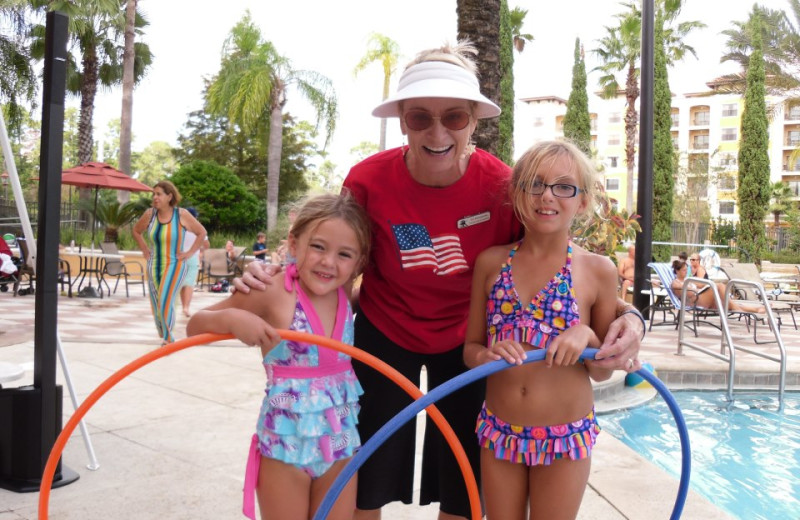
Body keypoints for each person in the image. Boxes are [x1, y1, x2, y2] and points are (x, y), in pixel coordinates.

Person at [234, 41, 644, 520]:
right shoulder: (368, 180)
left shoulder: (504, 187)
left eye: (453, 117)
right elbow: (330, 256)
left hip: (470, 347)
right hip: (383, 335)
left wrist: (631, 319)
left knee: (464, 481)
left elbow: (557, 267)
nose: (436, 131)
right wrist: (275, 273)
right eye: (419, 118)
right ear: (402, 119)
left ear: (473, 118)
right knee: (368, 471)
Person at [186, 193, 371, 520]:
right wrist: (231, 319)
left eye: (344, 254)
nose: (329, 262)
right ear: (295, 244)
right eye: (318, 247)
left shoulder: (344, 293)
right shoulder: (271, 289)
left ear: (358, 263)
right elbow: (195, 326)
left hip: (341, 442)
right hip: (285, 448)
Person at [463, 140, 616, 519]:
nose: (546, 196)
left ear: (582, 201)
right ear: (517, 193)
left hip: (564, 435)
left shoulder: (598, 270)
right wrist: (484, 356)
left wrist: (590, 339)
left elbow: (603, 370)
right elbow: (470, 347)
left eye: (564, 186)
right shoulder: (491, 263)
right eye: (534, 184)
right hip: (500, 431)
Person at [132, 180, 206, 345]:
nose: (155, 197)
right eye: (154, 194)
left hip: (175, 265)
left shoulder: (181, 215)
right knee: (156, 301)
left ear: (169, 196)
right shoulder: (150, 214)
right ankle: (164, 332)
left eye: (159, 194)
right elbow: (136, 231)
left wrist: (190, 253)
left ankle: (169, 338)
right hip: (154, 265)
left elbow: (201, 233)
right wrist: (144, 248)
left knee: (165, 299)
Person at [671, 259, 764, 313]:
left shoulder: (688, 280)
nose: (686, 272)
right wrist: (691, 286)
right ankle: (739, 309)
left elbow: (698, 285)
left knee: (727, 304)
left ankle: (756, 309)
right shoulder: (676, 283)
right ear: (677, 271)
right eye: (683, 270)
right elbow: (686, 293)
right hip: (694, 301)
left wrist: (702, 285)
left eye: (686, 270)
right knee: (719, 286)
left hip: (702, 298)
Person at [179, 207, 209, 317]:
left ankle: (183, 307)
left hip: (179, 258)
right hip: (191, 258)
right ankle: (186, 307)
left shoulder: (178, 228)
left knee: (182, 284)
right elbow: (206, 245)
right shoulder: (198, 229)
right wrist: (198, 248)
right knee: (189, 283)